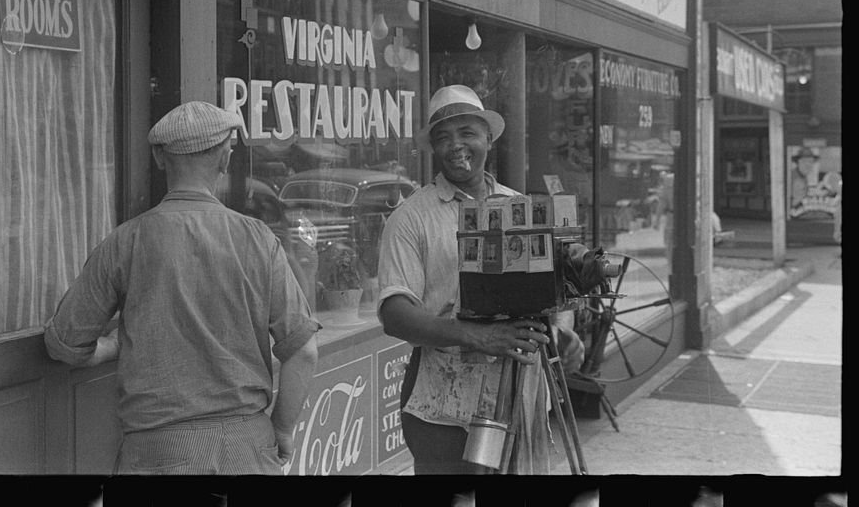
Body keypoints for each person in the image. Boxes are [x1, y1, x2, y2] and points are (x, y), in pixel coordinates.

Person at [44, 101, 320, 475]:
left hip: (156, 452)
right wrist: (283, 428)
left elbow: (64, 343)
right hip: (248, 448)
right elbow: (303, 351)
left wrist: (112, 346)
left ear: (160, 158)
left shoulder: (126, 241)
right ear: (225, 158)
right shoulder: (258, 239)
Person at [377, 85, 584, 474]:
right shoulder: (411, 218)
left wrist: (562, 331)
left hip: (520, 397)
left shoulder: (520, 206)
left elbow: (550, 288)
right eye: (443, 137)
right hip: (443, 406)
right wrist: (479, 336)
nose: (456, 145)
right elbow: (394, 314)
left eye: (467, 133)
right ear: (434, 149)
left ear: (489, 138)